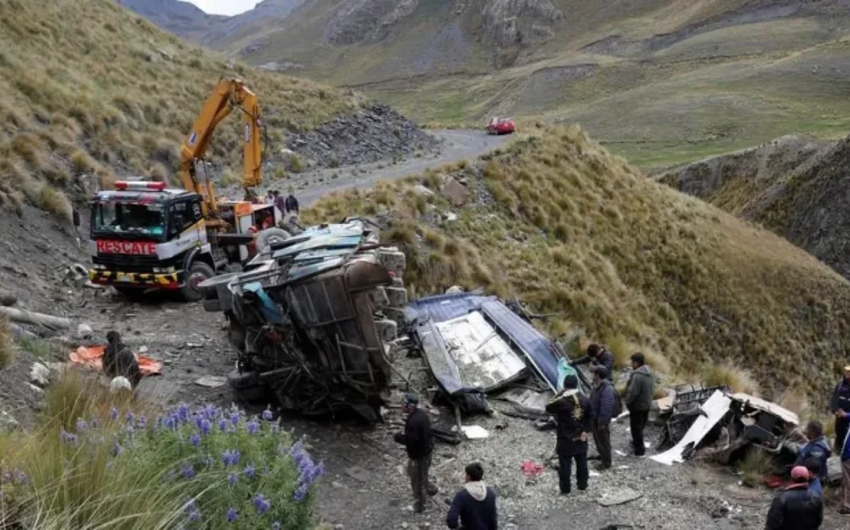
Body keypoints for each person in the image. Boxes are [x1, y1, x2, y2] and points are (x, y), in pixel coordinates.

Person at [545, 375, 593, 494]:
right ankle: (582, 485)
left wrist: (559, 393)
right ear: (576, 384)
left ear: (565, 386)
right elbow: (592, 416)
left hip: (565, 437)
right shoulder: (586, 400)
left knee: (565, 464)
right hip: (581, 435)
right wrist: (586, 430)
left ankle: (565, 488)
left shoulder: (561, 401)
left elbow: (548, 407)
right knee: (582, 461)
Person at [394, 394, 437, 513]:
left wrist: (399, 437)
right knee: (414, 472)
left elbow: (411, 440)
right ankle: (430, 488)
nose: (401, 405)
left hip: (419, 456)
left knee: (416, 480)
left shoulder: (413, 421)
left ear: (410, 406)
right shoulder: (421, 414)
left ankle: (420, 505)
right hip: (426, 452)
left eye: (404, 403)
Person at [446, 462, 497, 530]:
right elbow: (493, 519)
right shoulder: (491, 493)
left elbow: (452, 520)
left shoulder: (461, 495)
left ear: (468, 477)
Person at [624, 352, 654, 457]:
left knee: (636, 428)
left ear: (636, 363)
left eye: (632, 362)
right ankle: (636, 443)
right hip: (647, 404)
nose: (631, 364)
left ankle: (639, 451)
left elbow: (633, 392)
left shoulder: (637, 376)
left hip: (638, 406)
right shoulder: (650, 373)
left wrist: (627, 402)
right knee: (640, 426)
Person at [590, 365, 616, 470]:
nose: (592, 375)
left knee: (604, 441)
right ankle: (602, 455)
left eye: (594, 373)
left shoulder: (607, 389)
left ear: (597, 375)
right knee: (598, 440)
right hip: (595, 419)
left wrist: (602, 422)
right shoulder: (598, 386)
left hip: (601, 421)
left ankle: (606, 462)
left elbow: (607, 407)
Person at [795, 421, 830, 485]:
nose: (806, 432)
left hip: (809, 482)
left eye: (807, 430)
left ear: (812, 433)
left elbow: (810, 472)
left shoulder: (817, 451)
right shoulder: (818, 440)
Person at [831, 366, 850, 452]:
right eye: (847, 371)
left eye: (849, 372)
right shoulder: (840, 384)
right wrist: (835, 410)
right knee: (838, 433)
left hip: (848, 419)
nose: (847, 373)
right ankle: (836, 451)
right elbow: (834, 398)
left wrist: (846, 415)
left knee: (846, 438)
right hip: (839, 416)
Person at [841, 424, 850, 515]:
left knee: (847, 481)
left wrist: (844, 456)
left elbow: (847, 445)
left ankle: (847, 506)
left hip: (848, 457)